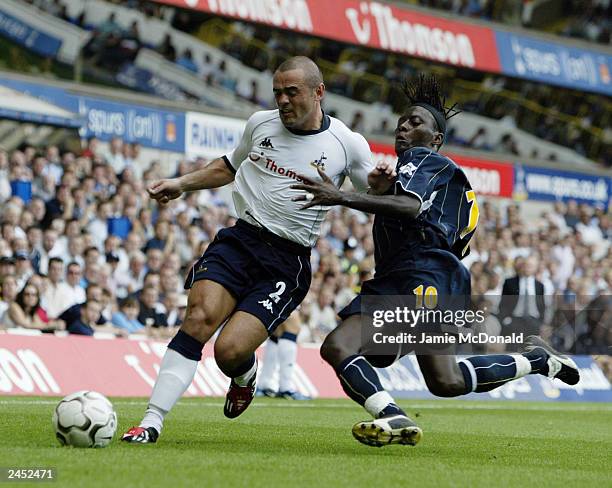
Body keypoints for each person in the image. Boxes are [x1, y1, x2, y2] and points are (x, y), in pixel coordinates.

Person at [292, 74, 580, 447]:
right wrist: (384, 194)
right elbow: (425, 221)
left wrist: (342, 197)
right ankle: (538, 361)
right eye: (403, 121)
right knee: (446, 381)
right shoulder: (439, 177)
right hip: (441, 277)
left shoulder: (423, 159)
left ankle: (391, 416)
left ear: (436, 139)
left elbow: (411, 208)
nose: (404, 127)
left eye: (416, 123)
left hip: (418, 274)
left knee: (339, 346)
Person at [122, 56, 373, 444]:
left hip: (286, 262)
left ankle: (244, 374)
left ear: (319, 92)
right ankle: (151, 422)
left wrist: (377, 188)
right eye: (277, 93)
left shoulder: (347, 144)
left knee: (229, 351)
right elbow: (230, 166)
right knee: (198, 319)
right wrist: (181, 183)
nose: (283, 101)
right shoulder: (260, 124)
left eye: (293, 92)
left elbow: (372, 196)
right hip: (240, 241)